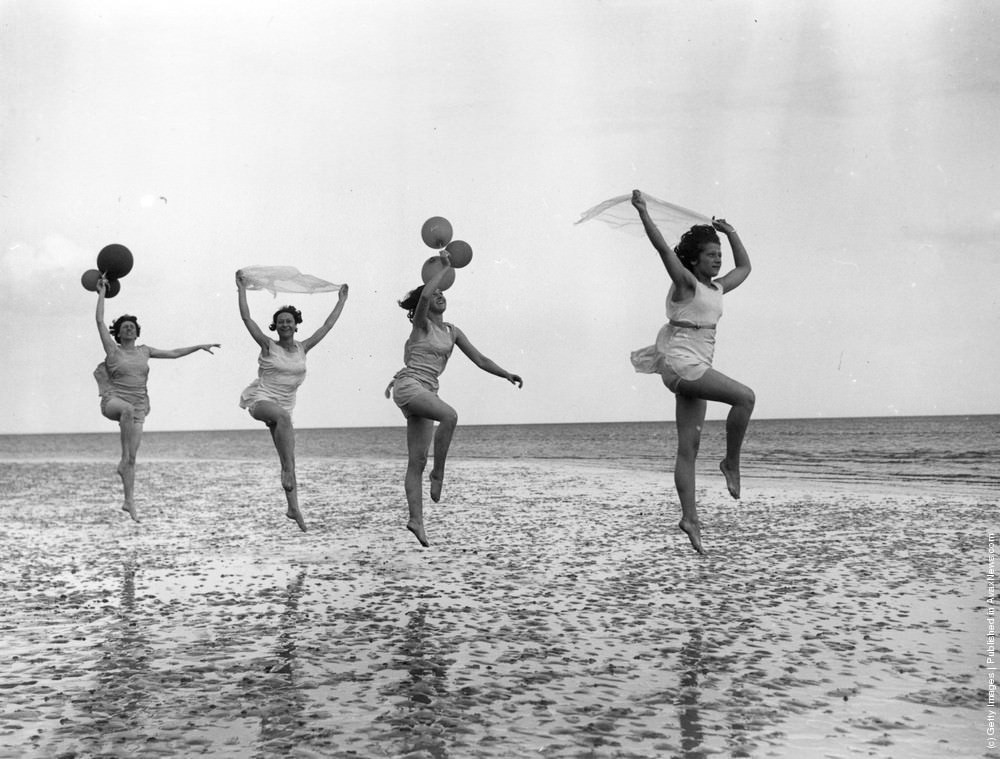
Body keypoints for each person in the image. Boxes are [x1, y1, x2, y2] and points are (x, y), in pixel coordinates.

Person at [630, 189, 755, 554]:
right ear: (695, 259)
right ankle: (731, 463)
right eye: (711, 255)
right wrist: (643, 212)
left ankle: (690, 518)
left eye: (719, 256)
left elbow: (745, 268)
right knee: (745, 397)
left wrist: (730, 234)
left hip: (695, 367)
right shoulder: (686, 283)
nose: (717, 261)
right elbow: (662, 250)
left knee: (689, 447)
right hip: (681, 364)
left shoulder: (717, 288)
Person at [385, 251, 522, 548]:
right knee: (450, 416)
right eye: (436, 293)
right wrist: (444, 267)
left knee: (416, 461)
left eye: (443, 293)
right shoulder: (422, 325)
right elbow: (423, 300)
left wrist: (506, 374)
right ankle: (440, 472)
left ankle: (416, 520)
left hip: (426, 392)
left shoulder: (453, 331)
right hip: (409, 386)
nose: (440, 296)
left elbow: (480, 359)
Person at [94, 277, 220, 522]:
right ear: (118, 333)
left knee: (133, 458)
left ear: (137, 331)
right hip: (113, 401)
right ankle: (122, 462)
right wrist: (101, 293)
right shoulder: (113, 350)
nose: (129, 328)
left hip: (139, 407)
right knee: (126, 417)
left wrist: (198, 346)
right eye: (124, 326)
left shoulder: (145, 351)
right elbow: (99, 321)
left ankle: (129, 501)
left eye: (132, 326)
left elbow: (173, 354)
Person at [236, 272, 349, 532]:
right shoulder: (267, 345)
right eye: (280, 322)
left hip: (284, 407)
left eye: (289, 321)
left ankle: (293, 508)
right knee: (286, 446)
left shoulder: (303, 347)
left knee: (290, 458)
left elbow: (327, 326)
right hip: (261, 400)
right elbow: (247, 318)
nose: (285, 324)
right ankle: (286, 473)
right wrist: (241, 290)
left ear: (296, 325)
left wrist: (341, 300)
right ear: (275, 326)